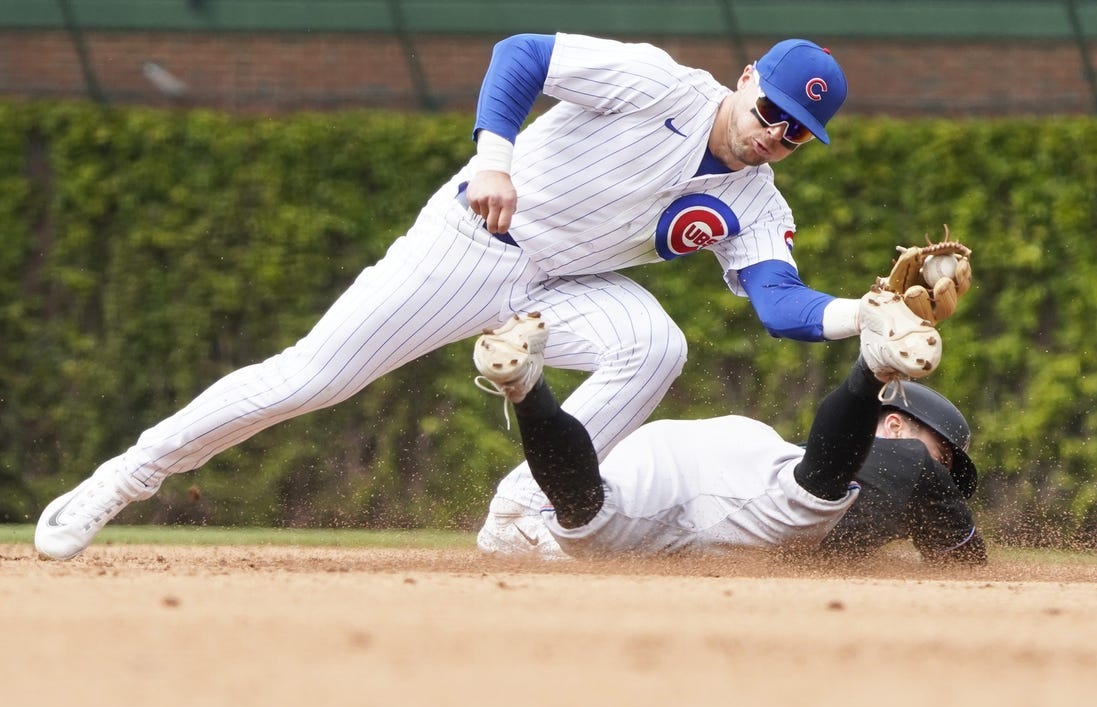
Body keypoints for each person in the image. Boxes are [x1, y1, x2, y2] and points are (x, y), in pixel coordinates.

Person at [36, 33, 857, 560]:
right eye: (771, 109)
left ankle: (520, 511)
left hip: (565, 285)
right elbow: (521, 53)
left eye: (795, 133)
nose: (774, 134)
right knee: (310, 379)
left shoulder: (757, 202)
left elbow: (777, 301)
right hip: (472, 243)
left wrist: (866, 317)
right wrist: (494, 156)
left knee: (656, 346)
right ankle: (125, 475)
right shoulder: (658, 83)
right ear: (747, 76)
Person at [470, 294, 985, 564]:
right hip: (736, 484)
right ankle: (871, 368)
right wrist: (969, 564)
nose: (943, 474)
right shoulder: (899, 459)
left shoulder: (849, 493)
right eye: (946, 456)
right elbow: (918, 468)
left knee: (588, 518)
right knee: (810, 498)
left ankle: (526, 388)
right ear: (893, 425)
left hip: (666, 474)